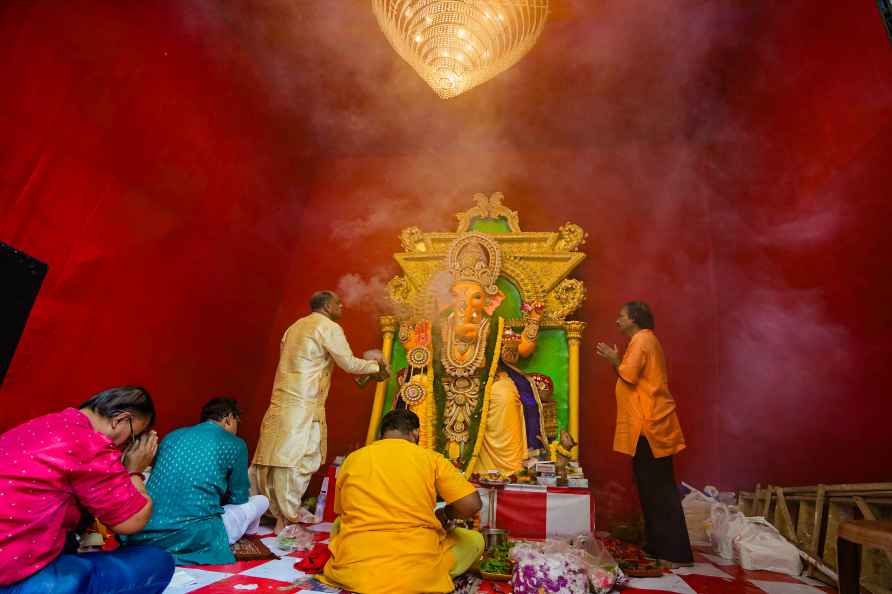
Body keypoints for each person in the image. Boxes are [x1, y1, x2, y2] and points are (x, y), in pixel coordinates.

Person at [0, 386, 175, 593]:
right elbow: (132, 521)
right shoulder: (90, 444)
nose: (124, 448)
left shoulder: (40, 425)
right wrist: (134, 471)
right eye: (131, 439)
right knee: (157, 561)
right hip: (14, 576)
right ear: (120, 419)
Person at [250, 290, 388, 532]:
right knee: (300, 458)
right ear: (326, 307)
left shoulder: (293, 328)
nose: (342, 306)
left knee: (271, 456)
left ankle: (269, 512)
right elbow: (348, 363)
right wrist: (377, 366)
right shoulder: (328, 327)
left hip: (281, 400)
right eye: (337, 303)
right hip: (305, 403)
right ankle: (287, 518)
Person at [321, 409, 484, 594]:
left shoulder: (353, 459)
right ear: (415, 433)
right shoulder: (431, 459)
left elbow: (343, 511)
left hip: (355, 571)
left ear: (382, 434)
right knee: (474, 540)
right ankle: (431, 576)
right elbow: (471, 505)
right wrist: (445, 514)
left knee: (339, 524)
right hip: (416, 573)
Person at [596, 301, 693, 566]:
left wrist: (614, 360)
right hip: (646, 426)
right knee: (649, 487)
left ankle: (675, 552)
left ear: (634, 319)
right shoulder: (643, 341)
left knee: (659, 489)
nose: (617, 320)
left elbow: (628, 375)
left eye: (621, 316)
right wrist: (618, 360)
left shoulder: (642, 341)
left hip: (649, 426)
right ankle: (658, 544)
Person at [123, 398, 269, 565]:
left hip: (143, 530)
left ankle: (243, 531)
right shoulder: (235, 443)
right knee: (261, 501)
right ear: (228, 419)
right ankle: (247, 534)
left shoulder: (172, 436)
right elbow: (239, 497)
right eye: (237, 423)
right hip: (196, 536)